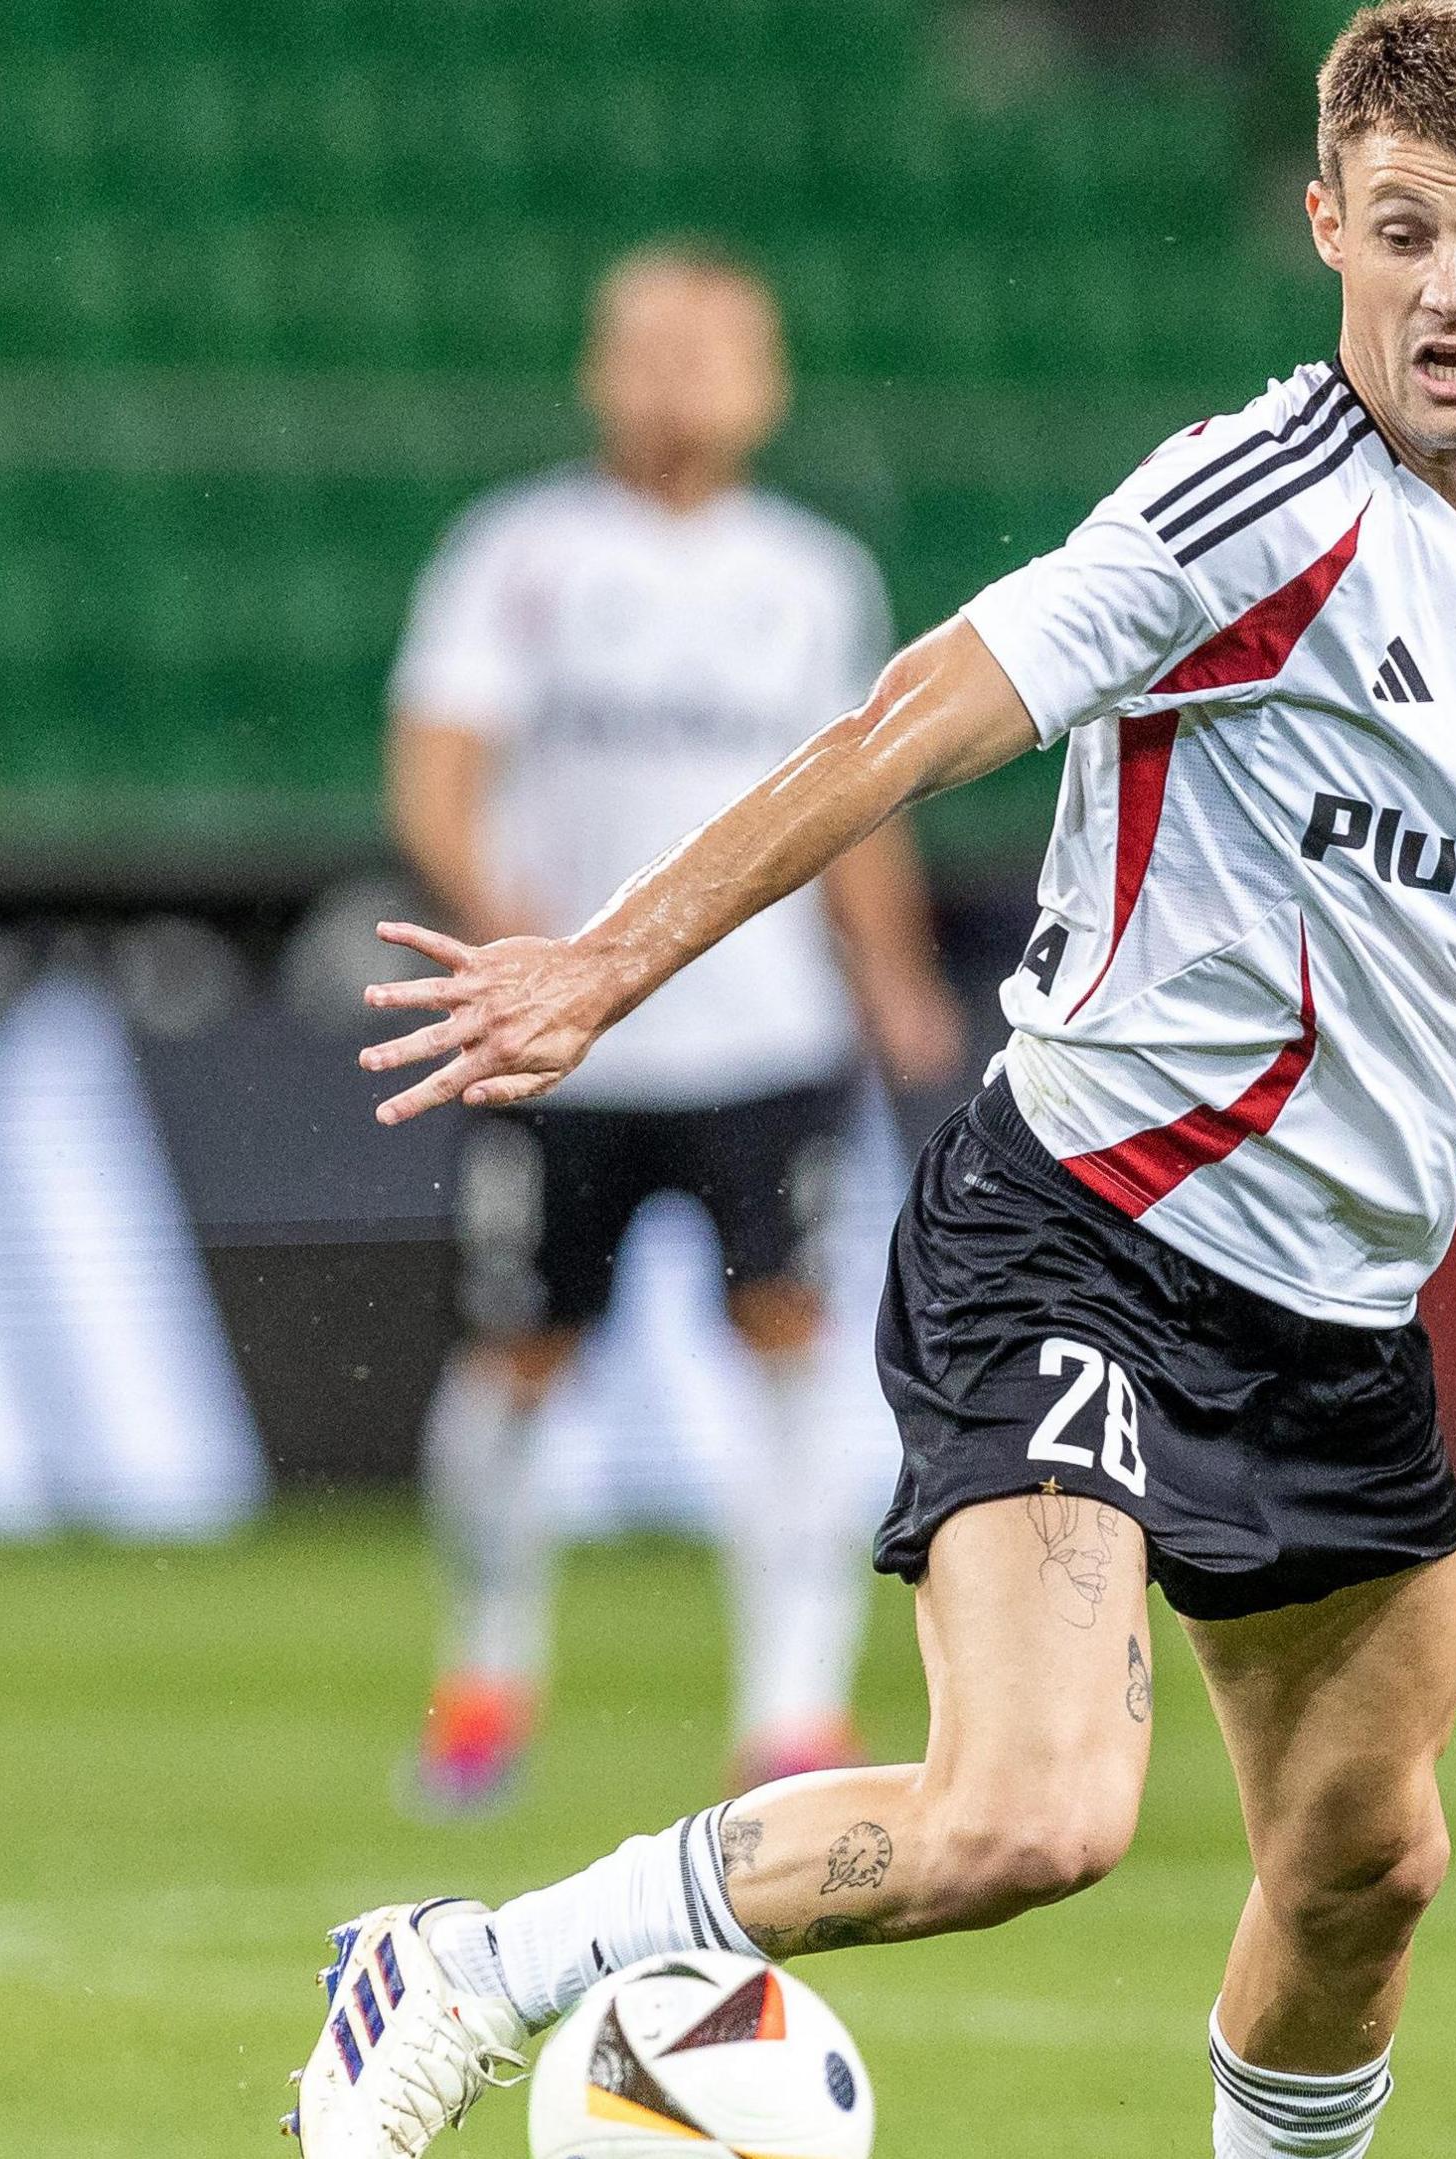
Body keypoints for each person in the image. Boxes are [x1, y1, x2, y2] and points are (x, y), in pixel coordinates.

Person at [285, 8, 1456, 2156]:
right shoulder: (1245, 505)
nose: (1446, 289)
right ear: (1324, 230)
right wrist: (612, 963)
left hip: (1337, 1320)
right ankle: (470, 1964)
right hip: (1081, 1245)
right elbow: (911, 712)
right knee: (1031, 1819)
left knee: (1370, 1869)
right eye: (1399, 235)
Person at [385, 242, 969, 1812]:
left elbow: (858, 801)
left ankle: (793, 1711)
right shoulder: (517, 553)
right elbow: (436, 768)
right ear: (598, 368)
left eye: (715, 349)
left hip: (759, 1043)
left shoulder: (812, 575)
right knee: (521, 1353)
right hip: (559, 1046)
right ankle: (485, 1673)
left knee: (789, 1341)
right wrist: (526, 946)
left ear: (768, 381)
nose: (682, 378)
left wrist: (891, 975)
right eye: (651, 347)